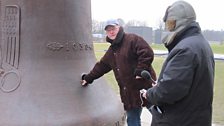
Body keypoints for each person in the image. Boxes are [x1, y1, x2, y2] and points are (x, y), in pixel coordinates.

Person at [141, 1, 215, 126]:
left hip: (179, 120)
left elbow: (169, 91)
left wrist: (149, 94)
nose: (169, 28)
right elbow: (183, 84)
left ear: (182, 22)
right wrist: (160, 86)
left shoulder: (185, 49)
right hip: (194, 118)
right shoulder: (201, 43)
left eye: (171, 23)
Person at [81, 19, 156, 126]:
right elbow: (101, 66)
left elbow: (146, 52)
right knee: (132, 120)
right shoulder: (112, 51)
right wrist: (88, 78)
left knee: (159, 115)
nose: (111, 32)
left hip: (144, 86)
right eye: (108, 30)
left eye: (113, 29)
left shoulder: (132, 39)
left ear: (119, 28)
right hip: (129, 93)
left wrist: (140, 70)